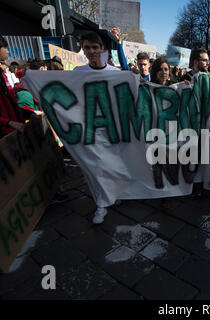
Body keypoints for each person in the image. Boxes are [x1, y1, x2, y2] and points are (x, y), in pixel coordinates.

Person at [73, 31, 120, 224]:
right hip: (90, 129)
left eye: (95, 47)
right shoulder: (77, 72)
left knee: (112, 165)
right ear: (83, 49)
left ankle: (114, 193)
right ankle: (102, 204)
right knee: (97, 168)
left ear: (102, 49)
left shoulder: (116, 74)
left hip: (111, 130)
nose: (91, 51)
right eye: (87, 47)